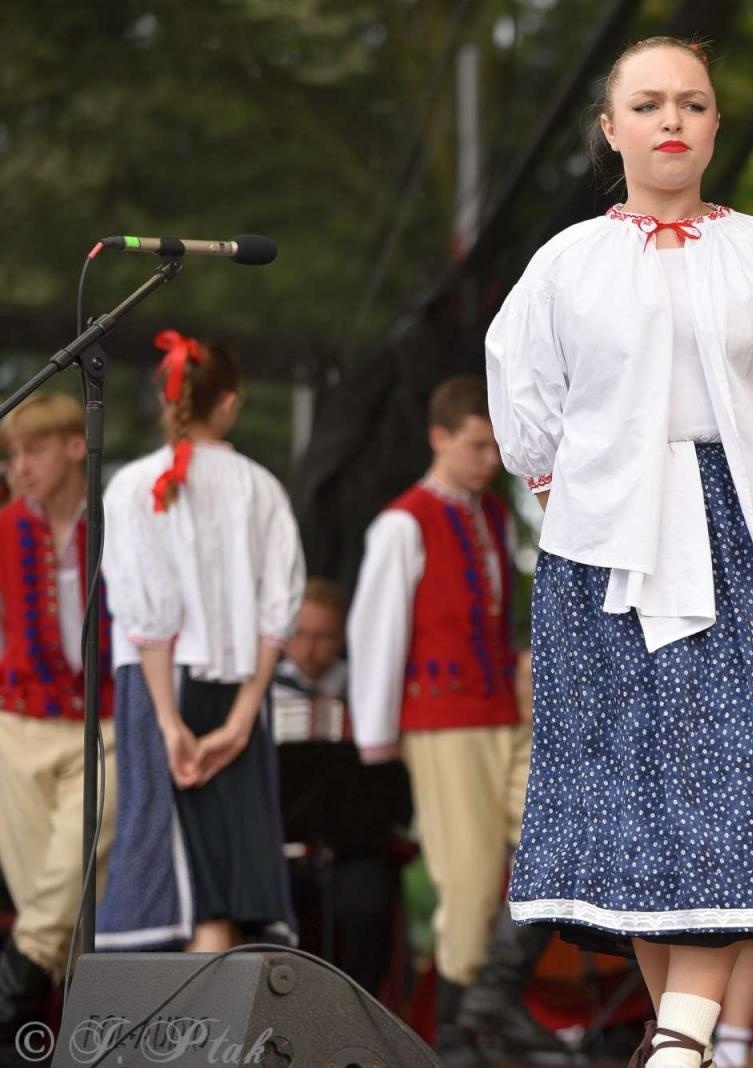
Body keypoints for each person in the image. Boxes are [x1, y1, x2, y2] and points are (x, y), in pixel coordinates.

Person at [485, 35, 753, 1068]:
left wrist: (732, 479)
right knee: (643, 805)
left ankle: (680, 1041)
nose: (670, 121)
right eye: (646, 104)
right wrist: (598, 482)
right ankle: (682, 1045)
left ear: (712, 125)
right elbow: (524, 401)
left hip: (751, 536)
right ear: (609, 129)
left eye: (690, 104)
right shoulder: (566, 262)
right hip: (610, 545)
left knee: (743, 783)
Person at [348, 376, 559, 1066]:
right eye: (476, 445)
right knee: (467, 887)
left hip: (504, 710)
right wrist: (377, 739)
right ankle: (458, 1037)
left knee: (558, 844)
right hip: (442, 721)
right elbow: (377, 635)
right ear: (439, 438)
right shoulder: (403, 522)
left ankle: (485, 1006)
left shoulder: (494, 516)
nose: (489, 459)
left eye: (495, 445)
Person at [98, 330, 305, 954]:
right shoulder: (262, 486)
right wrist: (244, 718)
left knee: (186, 884)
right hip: (240, 687)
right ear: (230, 403)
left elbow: (149, 615)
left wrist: (167, 723)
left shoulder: (133, 485)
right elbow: (280, 607)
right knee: (222, 879)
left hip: (164, 686)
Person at [0, 393, 115, 1038]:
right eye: (13, 454)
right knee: (49, 895)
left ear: (77, 446)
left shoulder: (117, 519)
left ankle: (12, 983)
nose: (21, 466)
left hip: (103, 722)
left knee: (83, 847)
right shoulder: (5, 526)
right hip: (18, 721)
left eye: (33, 449)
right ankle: (69, 1031)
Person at [272, 578, 412, 997]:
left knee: (367, 903)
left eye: (324, 636)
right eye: (301, 635)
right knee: (267, 908)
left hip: (354, 849)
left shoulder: (366, 688)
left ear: (343, 636)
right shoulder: (261, 691)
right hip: (280, 851)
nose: (310, 649)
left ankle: (358, 1012)